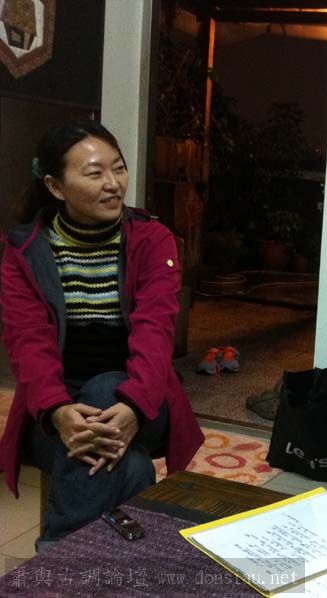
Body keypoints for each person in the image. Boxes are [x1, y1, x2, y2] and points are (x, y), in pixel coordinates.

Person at [0, 120, 204, 548]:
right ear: (55, 186)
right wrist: (59, 412)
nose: (113, 184)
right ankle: (119, 563)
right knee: (131, 469)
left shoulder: (152, 240)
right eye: (94, 173)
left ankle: (56, 552)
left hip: (142, 403)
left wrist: (132, 407)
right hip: (56, 410)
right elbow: (27, 342)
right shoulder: (25, 251)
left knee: (106, 388)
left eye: (118, 168)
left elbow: (155, 334)